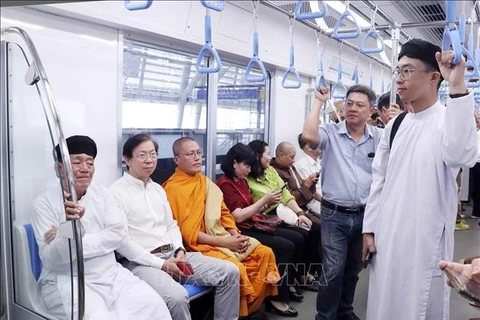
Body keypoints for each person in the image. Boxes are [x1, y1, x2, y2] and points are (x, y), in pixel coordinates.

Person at [361, 39, 479, 320]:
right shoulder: (395, 125)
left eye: (407, 71)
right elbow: (379, 180)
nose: (399, 80)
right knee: (384, 302)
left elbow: (462, 154)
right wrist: (370, 228)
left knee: (419, 305)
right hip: (388, 235)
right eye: (398, 71)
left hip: (425, 239)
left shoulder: (448, 121)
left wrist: (458, 85)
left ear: (434, 77)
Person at [32, 135, 170, 320]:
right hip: (69, 280)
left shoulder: (103, 194)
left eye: (90, 163)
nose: (84, 169)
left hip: (111, 274)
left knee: (154, 306)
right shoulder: (44, 204)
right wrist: (69, 227)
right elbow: (52, 259)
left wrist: (70, 236)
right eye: (77, 162)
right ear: (60, 169)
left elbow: (118, 236)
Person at [109, 134, 241, 320]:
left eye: (153, 154)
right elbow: (122, 242)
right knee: (177, 297)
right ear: (127, 159)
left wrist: (179, 250)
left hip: (173, 255)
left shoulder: (157, 189)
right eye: (142, 155)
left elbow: (171, 225)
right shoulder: (115, 193)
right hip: (143, 263)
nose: (149, 160)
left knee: (230, 272)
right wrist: (162, 264)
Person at [162, 137, 280, 319]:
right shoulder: (173, 189)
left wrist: (234, 234)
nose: (197, 158)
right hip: (199, 246)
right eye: (190, 154)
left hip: (222, 235)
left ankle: (250, 309)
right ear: (177, 160)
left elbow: (224, 213)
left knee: (265, 253)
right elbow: (187, 234)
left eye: (199, 153)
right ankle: (239, 314)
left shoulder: (204, 182)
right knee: (236, 268)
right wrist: (226, 242)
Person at [302, 84, 382, 320]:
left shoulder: (379, 137)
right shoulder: (330, 132)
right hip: (334, 214)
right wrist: (318, 101)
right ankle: (325, 316)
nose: (353, 109)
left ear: (371, 111)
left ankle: (345, 310)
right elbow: (308, 136)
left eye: (360, 105)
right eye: (349, 104)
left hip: (366, 215)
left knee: (354, 269)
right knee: (333, 269)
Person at [216, 142, 299, 317]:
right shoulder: (225, 184)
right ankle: (277, 298)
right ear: (234, 163)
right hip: (239, 229)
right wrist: (263, 201)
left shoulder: (242, 182)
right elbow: (237, 217)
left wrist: (267, 203)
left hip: (253, 223)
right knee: (285, 246)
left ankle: (285, 287)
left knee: (296, 238)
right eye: (246, 165)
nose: (248, 170)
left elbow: (251, 209)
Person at [246, 140, 319, 291]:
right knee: (295, 239)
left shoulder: (270, 171)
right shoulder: (247, 179)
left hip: (282, 212)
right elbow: (252, 209)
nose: (269, 157)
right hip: (264, 218)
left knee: (308, 231)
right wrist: (266, 202)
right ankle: (289, 283)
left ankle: (301, 275)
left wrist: (299, 213)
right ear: (257, 156)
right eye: (267, 154)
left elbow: (285, 195)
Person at [271, 141, 322, 220]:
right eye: (292, 157)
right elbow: (288, 198)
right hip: (292, 211)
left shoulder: (291, 167)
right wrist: (306, 186)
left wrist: (311, 183)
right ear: (281, 156)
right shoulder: (275, 172)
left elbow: (306, 192)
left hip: (305, 207)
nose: (294, 160)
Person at [295, 133, 322, 216]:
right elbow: (312, 193)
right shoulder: (302, 165)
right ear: (308, 147)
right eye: (318, 142)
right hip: (315, 205)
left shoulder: (318, 162)